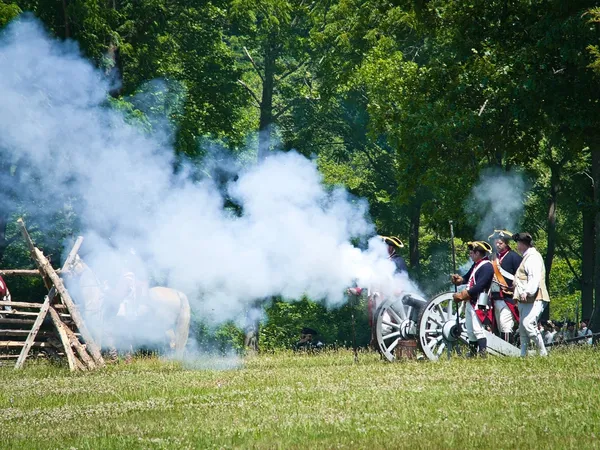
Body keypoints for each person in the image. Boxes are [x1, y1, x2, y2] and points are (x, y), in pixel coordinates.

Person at [451, 241, 494, 357]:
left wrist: (464, 295)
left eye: (472, 252)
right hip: (471, 300)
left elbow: (480, 286)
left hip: (479, 301)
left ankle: (483, 354)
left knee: (477, 329)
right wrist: (459, 280)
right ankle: (473, 353)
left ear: (478, 253)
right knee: (470, 330)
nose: (470, 254)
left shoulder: (487, 266)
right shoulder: (476, 265)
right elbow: (467, 278)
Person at [512, 232, 548, 357]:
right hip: (526, 299)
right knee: (522, 328)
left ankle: (543, 353)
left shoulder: (532, 257)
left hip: (535, 297)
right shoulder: (527, 257)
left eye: (518, 244)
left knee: (528, 324)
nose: (517, 247)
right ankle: (523, 354)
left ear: (522, 244)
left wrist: (528, 291)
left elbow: (534, 278)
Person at [488, 230, 522, 343]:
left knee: (505, 325)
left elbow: (521, 277)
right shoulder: (492, 258)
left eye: (500, 243)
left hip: (508, 297)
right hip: (494, 297)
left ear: (506, 243)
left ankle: (507, 351)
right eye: (496, 243)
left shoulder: (514, 257)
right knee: (497, 326)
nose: (497, 245)